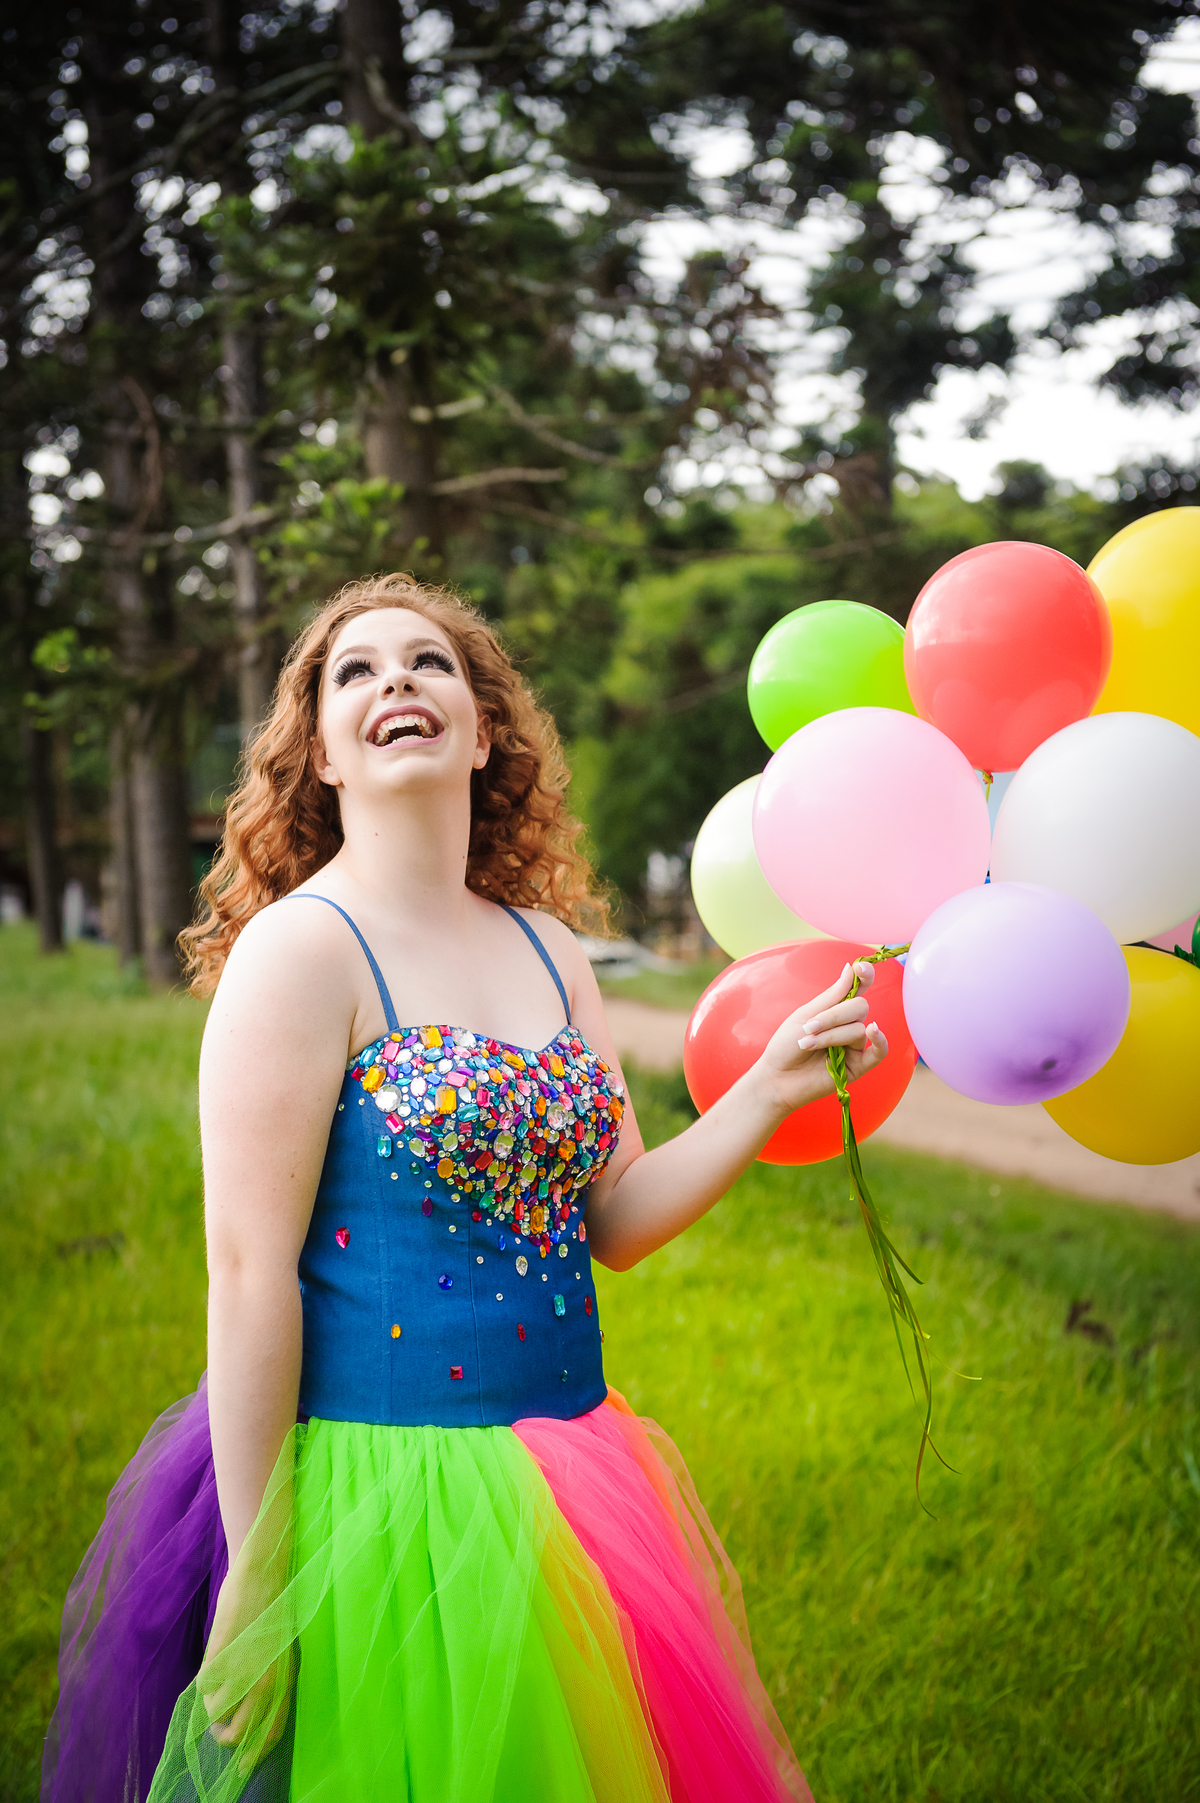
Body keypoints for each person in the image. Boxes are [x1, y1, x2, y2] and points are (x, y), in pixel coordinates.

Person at [43, 574, 887, 1803]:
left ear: (486, 732)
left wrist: (762, 1089)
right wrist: (257, 1562)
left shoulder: (550, 949)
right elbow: (246, 1270)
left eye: (430, 663)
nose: (397, 681)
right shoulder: (305, 948)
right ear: (319, 755)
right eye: (355, 672)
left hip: (575, 1479)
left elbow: (619, 1223)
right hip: (378, 1497)